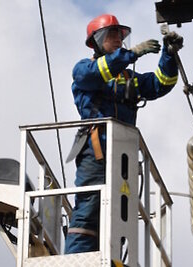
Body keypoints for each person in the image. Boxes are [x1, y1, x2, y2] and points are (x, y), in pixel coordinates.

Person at [65, 13, 183, 254]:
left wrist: (169, 55)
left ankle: (110, 258)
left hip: (123, 158)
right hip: (96, 153)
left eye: (120, 35)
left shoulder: (128, 78)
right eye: (112, 35)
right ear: (96, 41)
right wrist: (131, 54)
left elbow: (161, 83)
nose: (118, 39)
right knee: (89, 209)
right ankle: (77, 259)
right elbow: (96, 74)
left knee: (119, 215)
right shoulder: (84, 70)